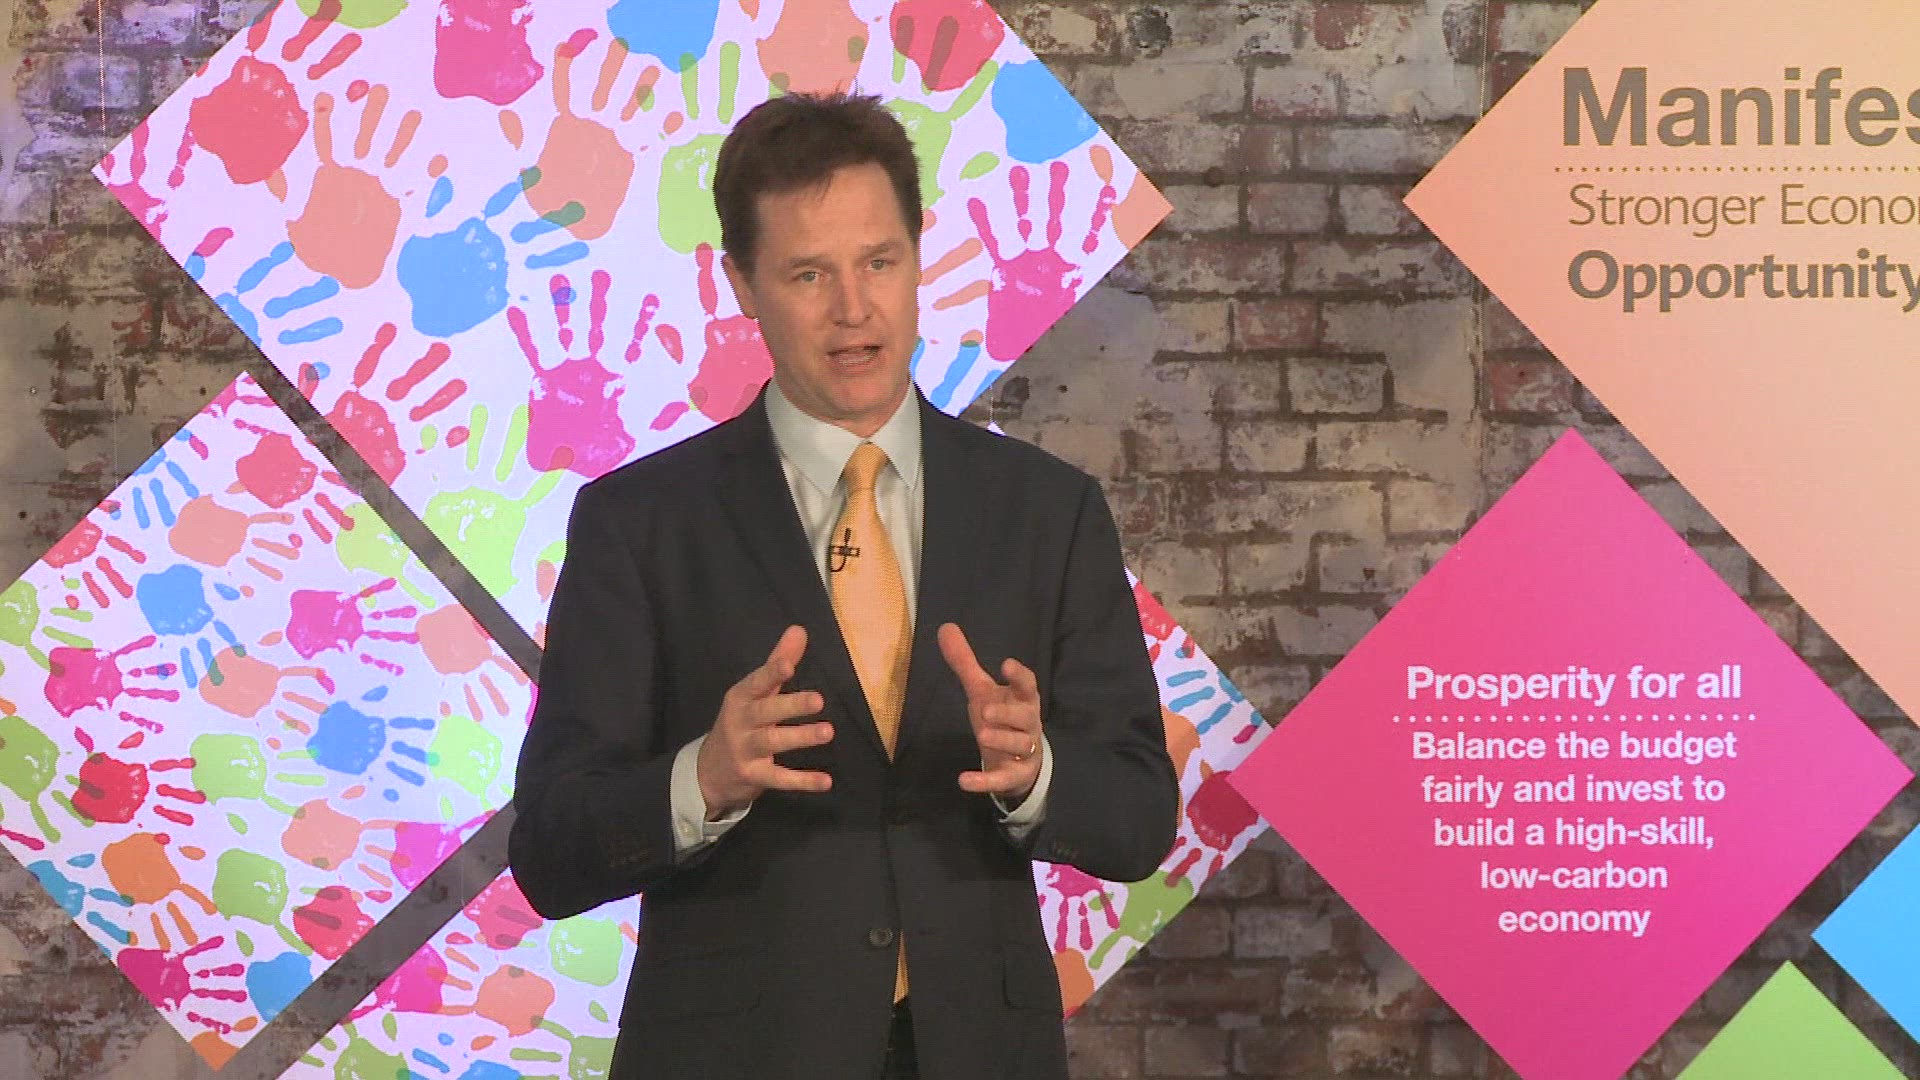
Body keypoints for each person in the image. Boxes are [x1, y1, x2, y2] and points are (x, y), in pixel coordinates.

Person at [508, 90, 1178, 1080]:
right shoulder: (639, 523)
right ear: (742, 283)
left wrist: (1036, 771)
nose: (853, 308)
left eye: (879, 262)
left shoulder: (1049, 511)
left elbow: (1138, 818)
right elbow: (550, 853)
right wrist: (703, 778)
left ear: (918, 259)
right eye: (809, 273)